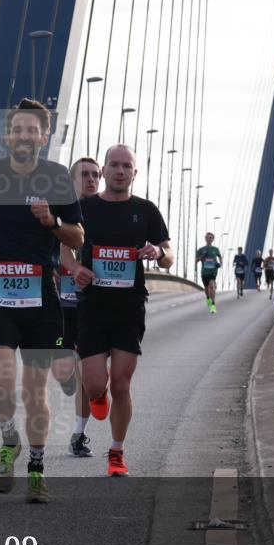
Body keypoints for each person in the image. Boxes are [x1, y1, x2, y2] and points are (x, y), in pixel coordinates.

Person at [0, 98, 85, 503]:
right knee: (0, 382)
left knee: (35, 392)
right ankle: (9, 440)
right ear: (7, 134)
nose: (25, 136)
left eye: (33, 130)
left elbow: (78, 237)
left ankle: (36, 468)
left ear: (44, 137)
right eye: (18, 129)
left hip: (41, 299)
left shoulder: (56, 178)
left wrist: (51, 222)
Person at [61, 144, 174, 477]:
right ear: (105, 171)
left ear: (134, 173)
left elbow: (168, 254)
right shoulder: (82, 208)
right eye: (114, 165)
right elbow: (65, 250)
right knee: (95, 385)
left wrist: (158, 251)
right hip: (92, 306)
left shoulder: (146, 210)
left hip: (129, 306)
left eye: (127, 166)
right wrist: (74, 269)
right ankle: (98, 394)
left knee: (122, 386)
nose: (120, 171)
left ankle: (116, 453)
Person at [52, 157, 101, 458]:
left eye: (96, 175)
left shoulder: (107, 214)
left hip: (93, 309)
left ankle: (78, 435)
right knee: (63, 371)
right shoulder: (56, 212)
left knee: (89, 376)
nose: (92, 179)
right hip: (60, 307)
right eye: (84, 175)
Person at [195, 233, 223, 314]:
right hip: (204, 272)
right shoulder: (201, 249)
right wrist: (202, 256)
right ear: (205, 239)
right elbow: (196, 261)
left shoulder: (215, 249)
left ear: (213, 239)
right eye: (207, 237)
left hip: (213, 271)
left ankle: (213, 306)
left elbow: (220, 257)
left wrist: (220, 263)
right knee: (206, 288)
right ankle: (208, 298)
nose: (209, 239)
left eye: (211, 238)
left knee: (212, 286)